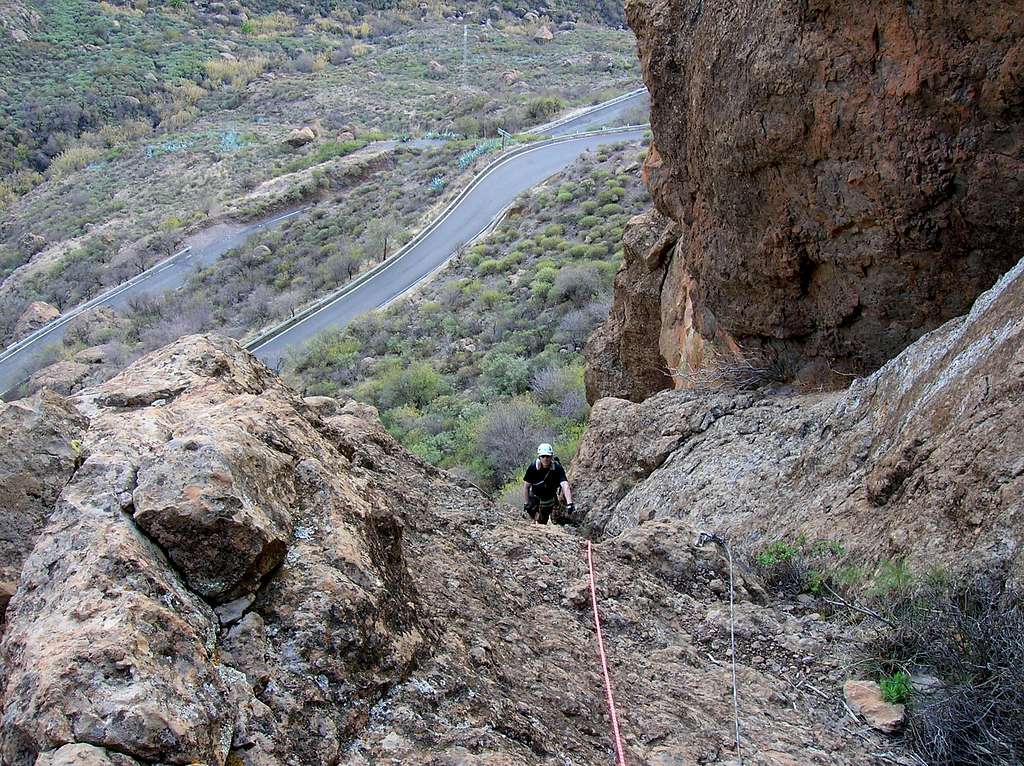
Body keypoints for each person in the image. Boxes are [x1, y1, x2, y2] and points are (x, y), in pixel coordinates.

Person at [523, 443, 575, 525]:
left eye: (548, 456)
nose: (545, 459)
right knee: (537, 520)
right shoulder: (533, 468)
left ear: (551, 457)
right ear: (539, 457)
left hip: (550, 499)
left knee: (550, 521)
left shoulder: (557, 468)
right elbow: (526, 487)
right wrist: (526, 503)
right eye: (543, 456)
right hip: (535, 499)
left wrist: (570, 503)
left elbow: (565, 485)